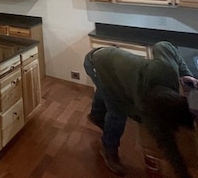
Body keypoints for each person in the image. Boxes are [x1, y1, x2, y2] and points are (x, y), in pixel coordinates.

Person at [83, 41, 198, 177]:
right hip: (96, 63)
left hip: (109, 59)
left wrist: (186, 73)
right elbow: (167, 144)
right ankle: (109, 150)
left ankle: (96, 115)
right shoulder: (146, 109)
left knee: (107, 87)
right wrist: (183, 174)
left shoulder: (168, 72)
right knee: (117, 113)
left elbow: (163, 45)